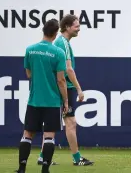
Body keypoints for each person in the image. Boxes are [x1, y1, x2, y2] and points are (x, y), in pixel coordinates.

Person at [37, 14, 93, 166]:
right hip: (65, 87)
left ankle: (43, 156)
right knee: (71, 122)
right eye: (76, 26)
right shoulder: (64, 43)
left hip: (58, 87)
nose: (79, 29)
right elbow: (69, 69)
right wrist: (79, 89)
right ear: (67, 27)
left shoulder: (61, 42)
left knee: (53, 123)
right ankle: (77, 158)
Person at [15, 19, 69, 173]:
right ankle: (45, 169)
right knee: (49, 136)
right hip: (52, 101)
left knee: (27, 134)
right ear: (56, 33)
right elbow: (61, 79)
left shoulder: (30, 49)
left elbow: (28, 73)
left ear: (43, 30)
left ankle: (22, 168)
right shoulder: (58, 52)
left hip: (35, 100)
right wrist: (65, 100)